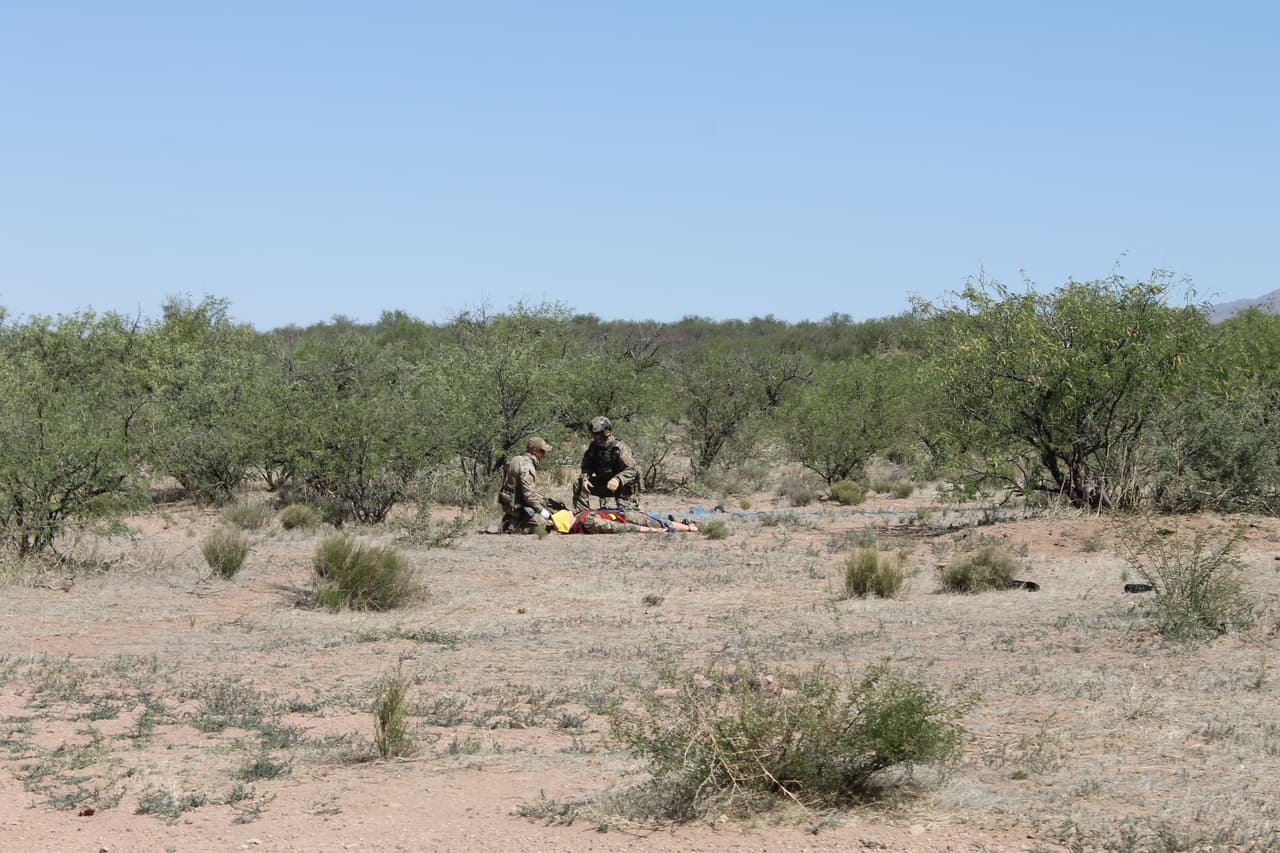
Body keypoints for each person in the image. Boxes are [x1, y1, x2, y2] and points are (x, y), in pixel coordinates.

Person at [573, 416, 640, 511]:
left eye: (598, 434)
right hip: (604, 483)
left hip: (622, 486)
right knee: (578, 484)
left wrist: (618, 479)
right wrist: (585, 478)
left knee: (628, 516)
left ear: (606, 432)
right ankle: (583, 516)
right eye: (593, 434)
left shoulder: (619, 447)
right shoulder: (594, 447)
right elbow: (586, 466)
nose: (595, 437)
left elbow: (632, 469)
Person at [497, 436, 554, 533]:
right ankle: (513, 526)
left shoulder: (517, 459)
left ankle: (513, 519)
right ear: (534, 450)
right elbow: (528, 494)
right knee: (545, 526)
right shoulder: (527, 465)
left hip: (509, 503)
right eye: (542, 451)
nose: (544, 454)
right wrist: (541, 511)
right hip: (516, 505)